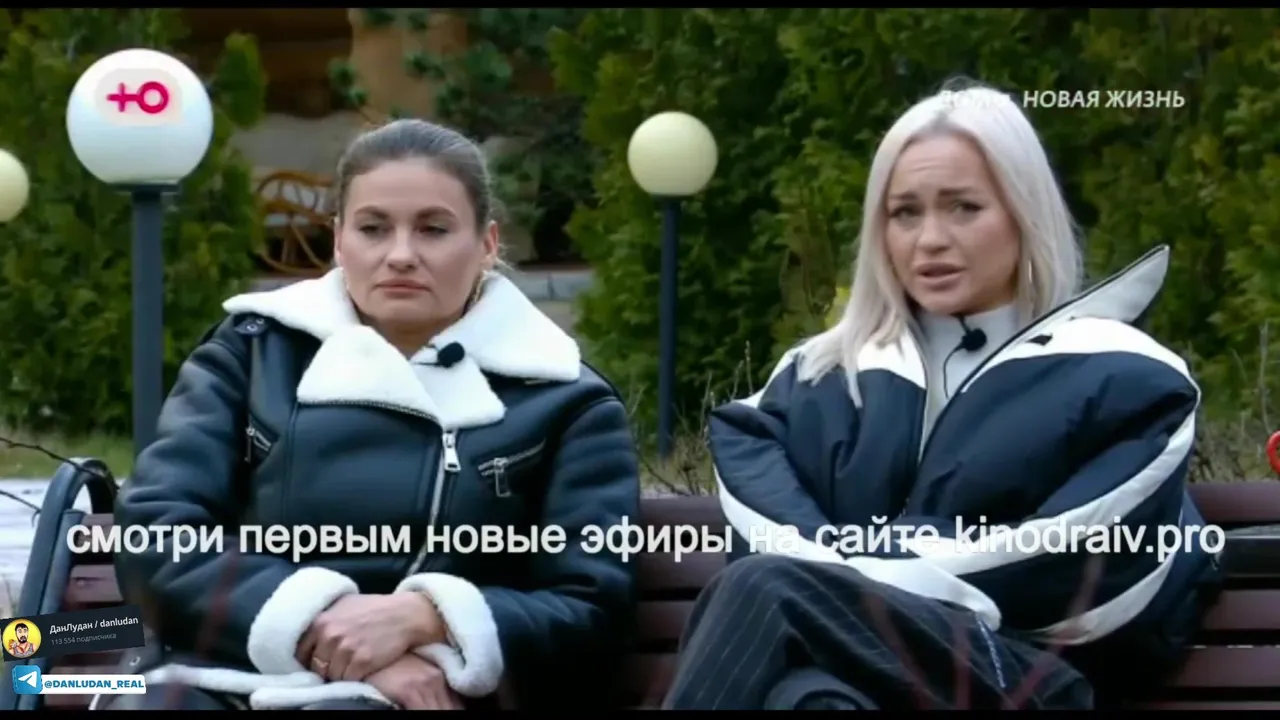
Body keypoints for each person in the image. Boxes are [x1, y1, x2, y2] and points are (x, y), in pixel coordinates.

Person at [662, 82, 1222, 710]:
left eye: (963, 208)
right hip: (861, 674)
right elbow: (763, 525)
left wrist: (864, 561)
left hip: (1028, 677)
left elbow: (1072, 562)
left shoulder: (1127, 376)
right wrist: (866, 574)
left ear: (1025, 213)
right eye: (905, 213)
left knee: (765, 590)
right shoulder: (815, 378)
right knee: (809, 699)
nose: (929, 239)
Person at [97, 118, 642, 710]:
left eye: (433, 229)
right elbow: (159, 534)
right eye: (373, 228)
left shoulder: (565, 397)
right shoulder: (249, 355)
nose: (401, 255)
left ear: (487, 244)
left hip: (439, 691)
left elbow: (589, 608)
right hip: (231, 671)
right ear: (338, 241)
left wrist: (427, 619)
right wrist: (325, 630)